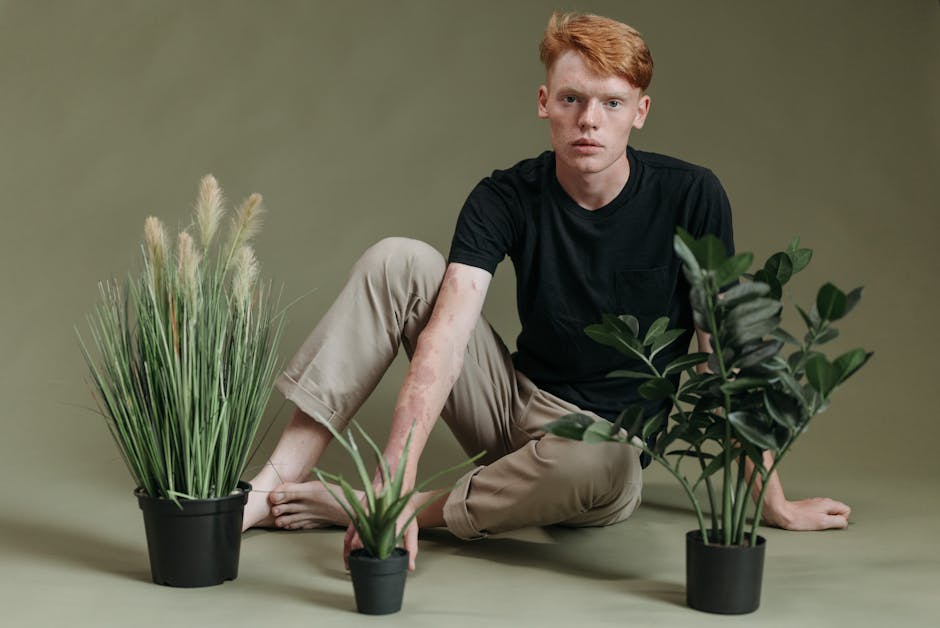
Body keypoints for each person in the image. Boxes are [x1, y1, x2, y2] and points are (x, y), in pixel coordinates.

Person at [242, 11, 851, 571]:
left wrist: (773, 502)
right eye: (572, 99)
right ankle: (269, 488)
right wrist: (394, 468)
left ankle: (375, 509)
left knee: (607, 460)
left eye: (612, 103)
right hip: (509, 406)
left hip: (599, 453)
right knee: (398, 260)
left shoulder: (690, 196)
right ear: (544, 103)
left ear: (640, 111)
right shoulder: (505, 196)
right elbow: (448, 336)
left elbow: (724, 359)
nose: (590, 119)